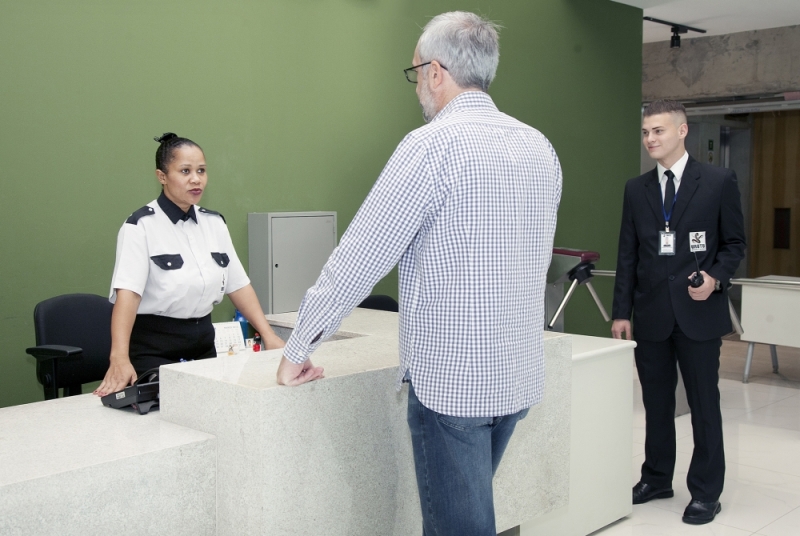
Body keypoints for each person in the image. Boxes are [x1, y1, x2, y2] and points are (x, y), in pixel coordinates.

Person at [276, 12, 562, 535]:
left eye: (415, 74)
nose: (417, 89)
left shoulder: (429, 147)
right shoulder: (539, 148)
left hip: (454, 387)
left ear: (436, 71)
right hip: (517, 375)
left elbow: (359, 257)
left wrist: (298, 347)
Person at [611, 100, 745, 525]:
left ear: (683, 131)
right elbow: (628, 254)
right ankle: (656, 477)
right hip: (650, 315)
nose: (650, 139)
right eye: (646, 132)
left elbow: (734, 244)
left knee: (704, 403)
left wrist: (716, 279)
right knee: (655, 403)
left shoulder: (719, 181)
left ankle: (706, 491)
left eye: (659, 131)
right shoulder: (637, 189)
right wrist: (621, 311)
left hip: (698, 314)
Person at [94, 133, 287, 396]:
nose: (196, 179)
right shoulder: (140, 226)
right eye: (185, 171)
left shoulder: (214, 223)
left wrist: (268, 334)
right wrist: (119, 358)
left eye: (201, 171)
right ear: (162, 176)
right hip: (154, 349)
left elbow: (238, 285)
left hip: (203, 345)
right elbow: (127, 296)